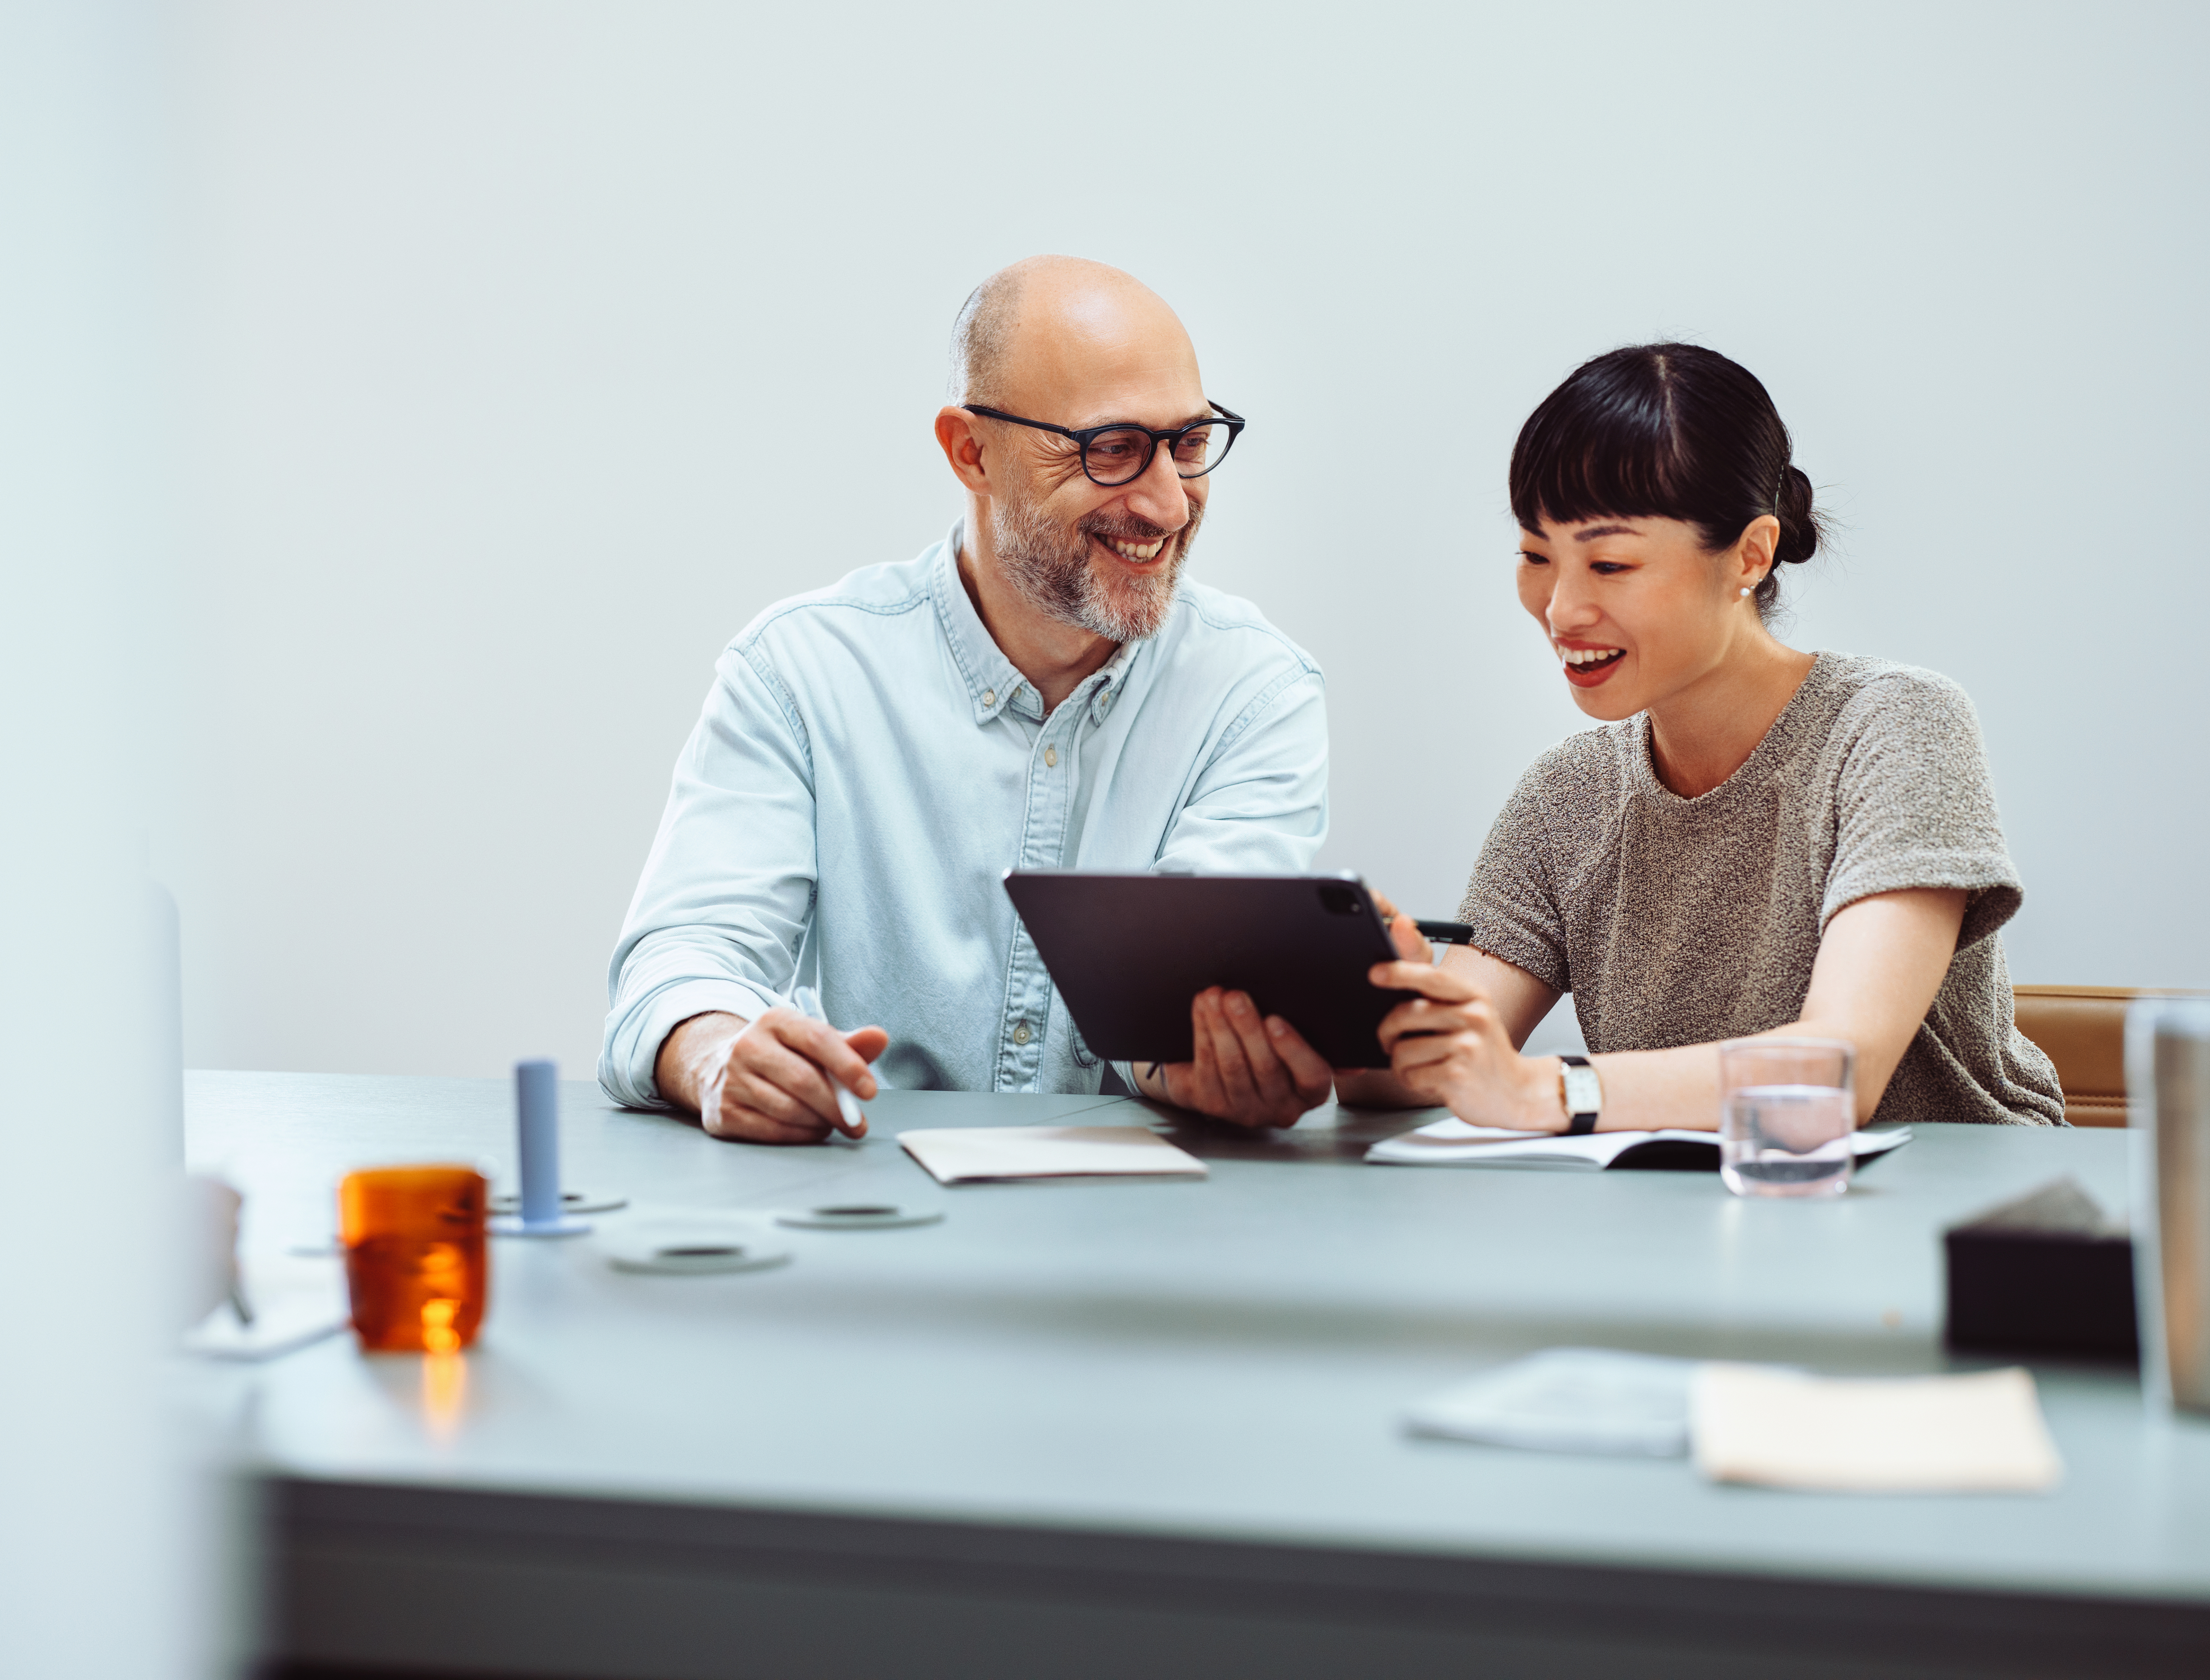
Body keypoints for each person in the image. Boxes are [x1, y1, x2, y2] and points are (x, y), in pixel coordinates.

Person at [599, 255, 1345, 1140]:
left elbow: (1200, 1007)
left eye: (1186, 444)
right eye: (1111, 450)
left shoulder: (1255, 692)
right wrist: (718, 1053)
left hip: (1143, 1240)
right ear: (971, 451)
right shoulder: (800, 672)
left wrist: (1211, 1057)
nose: (1169, 504)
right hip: (869, 1212)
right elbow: (683, 961)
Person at [1368, 342, 2065, 1130]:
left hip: (1946, 1219)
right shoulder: (1563, 797)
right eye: (1536, 555)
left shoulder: (1895, 725)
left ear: (1748, 555)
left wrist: (1541, 1091)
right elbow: (1431, 1072)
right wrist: (1384, 1016)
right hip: (1698, 1230)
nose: (1559, 610)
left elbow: (1838, 1072)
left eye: (1609, 564)